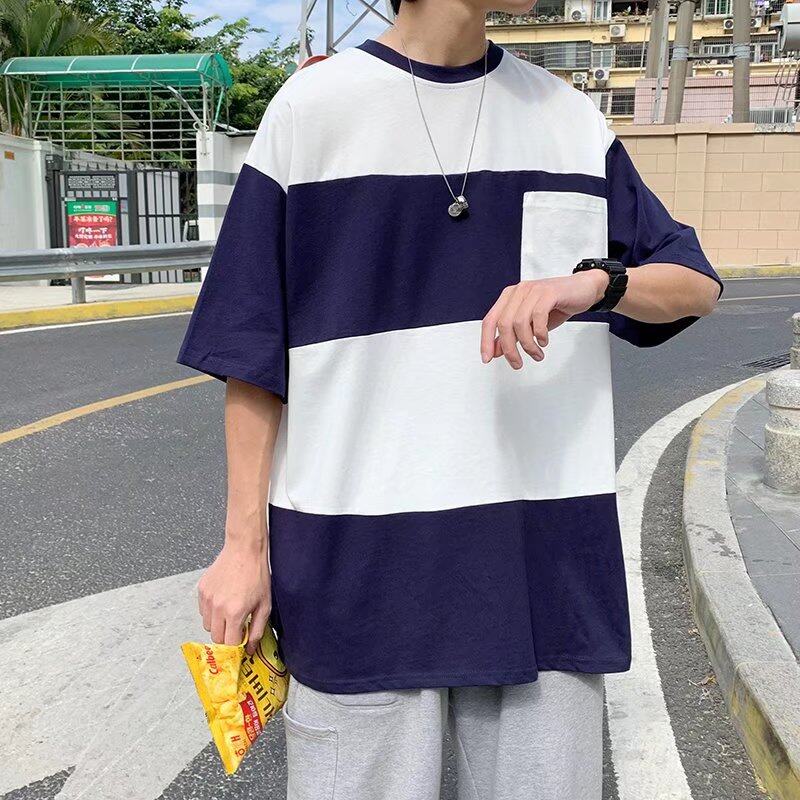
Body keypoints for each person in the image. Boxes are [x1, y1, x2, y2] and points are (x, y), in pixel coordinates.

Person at [177, 0, 724, 796]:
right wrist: (242, 549)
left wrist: (594, 284)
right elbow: (251, 351)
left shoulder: (569, 119)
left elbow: (696, 284)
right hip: (354, 570)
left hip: (540, 575)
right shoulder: (313, 110)